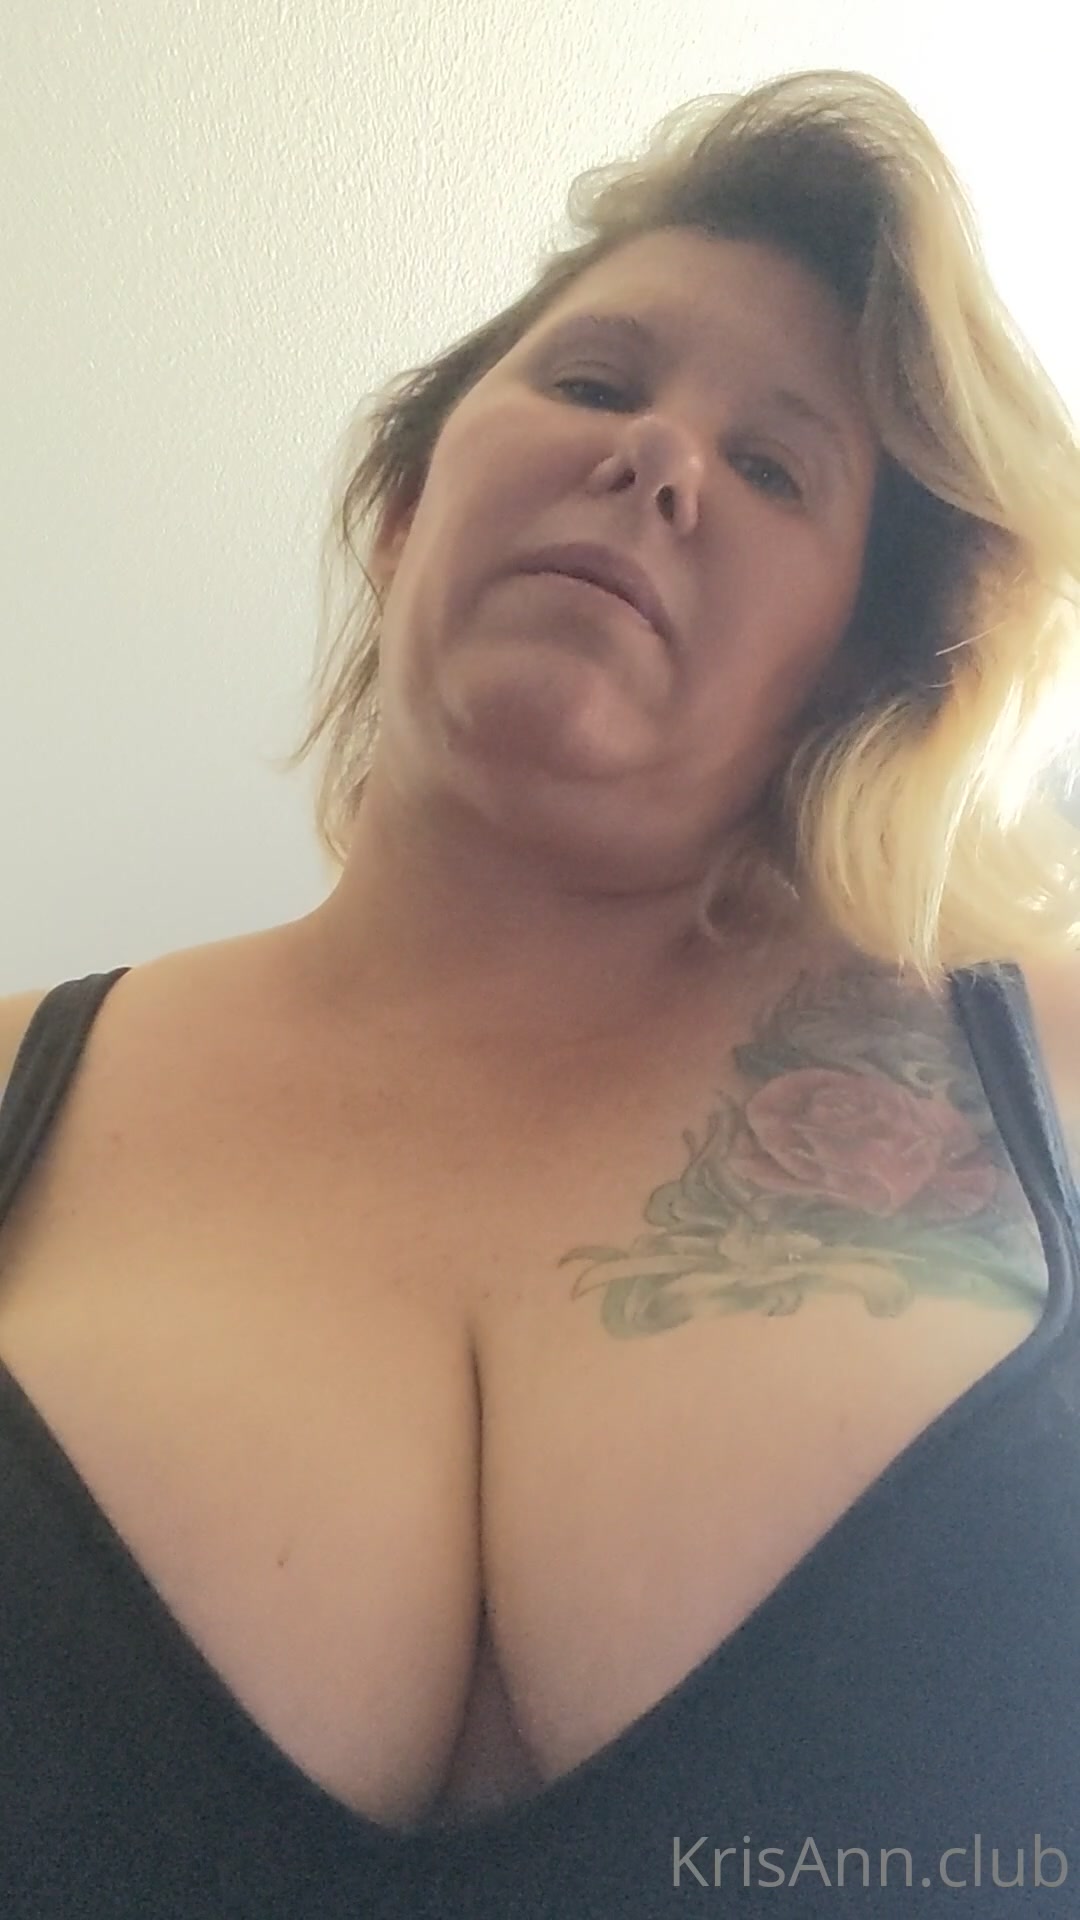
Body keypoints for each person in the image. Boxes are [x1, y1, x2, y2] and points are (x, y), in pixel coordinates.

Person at [2, 65, 1080, 1918]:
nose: (659, 460)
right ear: (403, 504)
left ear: (851, 665)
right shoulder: (21, 1075)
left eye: (774, 468)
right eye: (592, 382)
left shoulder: (1047, 1061)